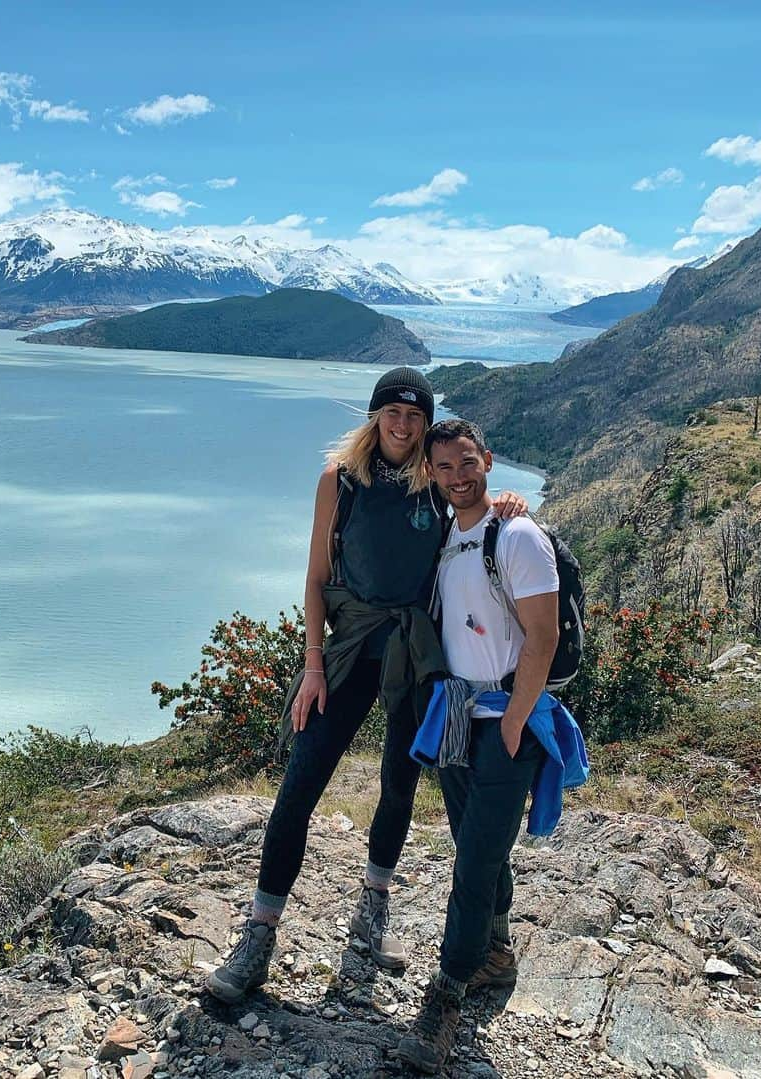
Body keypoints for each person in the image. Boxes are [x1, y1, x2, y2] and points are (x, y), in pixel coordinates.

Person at [206, 370, 526, 1005]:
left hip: (414, 652)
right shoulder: (340, 481)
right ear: (375, 416)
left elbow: (473, 500)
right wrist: (312, 665)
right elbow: (317, 574)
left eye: (414, 415)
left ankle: (372, 909)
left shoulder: (434, 484)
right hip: (350, 648)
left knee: (398, 785)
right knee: (301, 782)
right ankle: (259, 932)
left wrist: (507, 503)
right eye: (392, 413)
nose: (403, 426)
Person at [397, 418, 568, 1074]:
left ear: (487, 460)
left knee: (471, 858)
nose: (457, 476)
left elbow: (543, 636)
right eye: (443, 468)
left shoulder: (517, 533)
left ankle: (447, 988)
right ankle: (496, 952)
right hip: (460, 712)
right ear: (432, 476)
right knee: (477, 837)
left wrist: (517, 719)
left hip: (506, 716)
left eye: (466, 463)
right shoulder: (447, 537)